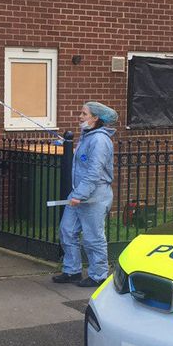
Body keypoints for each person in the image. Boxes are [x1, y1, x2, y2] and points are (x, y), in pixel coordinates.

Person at [52, 102, 117, 287]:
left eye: (84, 113)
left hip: (94, 196)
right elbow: (84, 159)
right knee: (67, 230)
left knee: (93, 237)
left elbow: (94, 172)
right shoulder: (88, 137)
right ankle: (72, 271)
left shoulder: (100, 140)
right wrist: (65, 146)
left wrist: (79, 195)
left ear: (95, 118)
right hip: (80, 193)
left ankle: (99, 275)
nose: (80, 116)